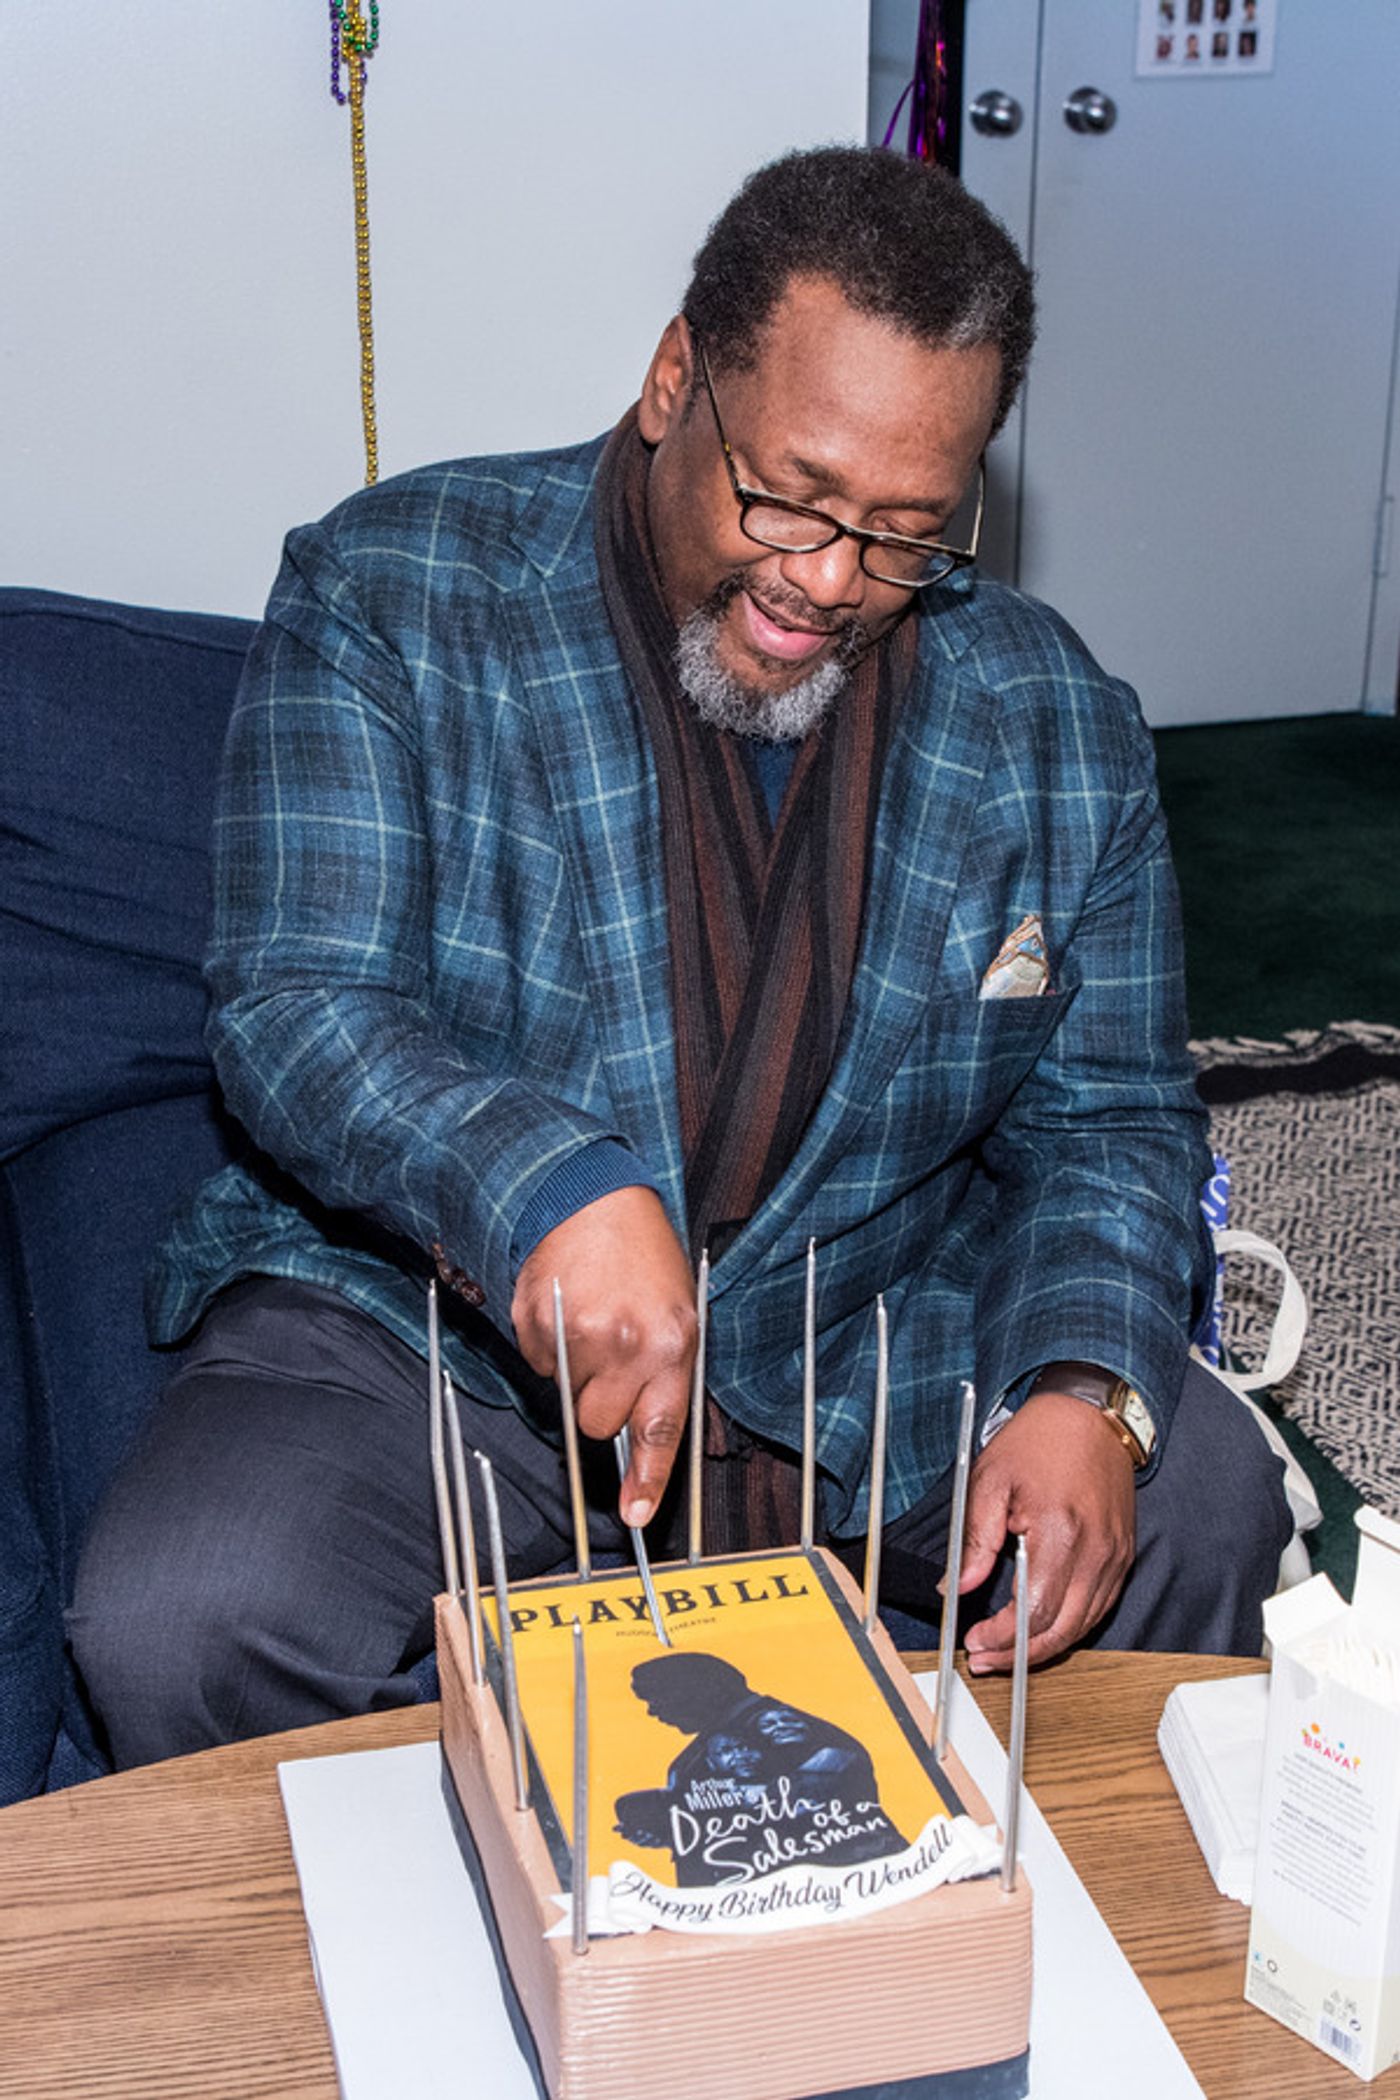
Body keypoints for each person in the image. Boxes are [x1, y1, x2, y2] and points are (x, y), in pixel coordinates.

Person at [71, 147, 1289, 1767]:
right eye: (787, 496)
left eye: (906, 533)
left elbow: (1112, 1123)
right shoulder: (393, 589)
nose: (829, 582)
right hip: (441, 1345)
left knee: (1198, 1500)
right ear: (672, 382)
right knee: (187, 1608)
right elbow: (299, 1010)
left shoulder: (1058, 724)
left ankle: (1013, 1964)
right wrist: (540, 1187)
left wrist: (1089, 1387)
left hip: (869, 1339)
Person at [615, 1655, 904, 1884]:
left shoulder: (775, 1723)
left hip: (837, 1884)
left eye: (660, 1699)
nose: (654, 1712)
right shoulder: (698, 1753)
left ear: (700, 1691)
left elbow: (831, 1776)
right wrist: (672, 1829)